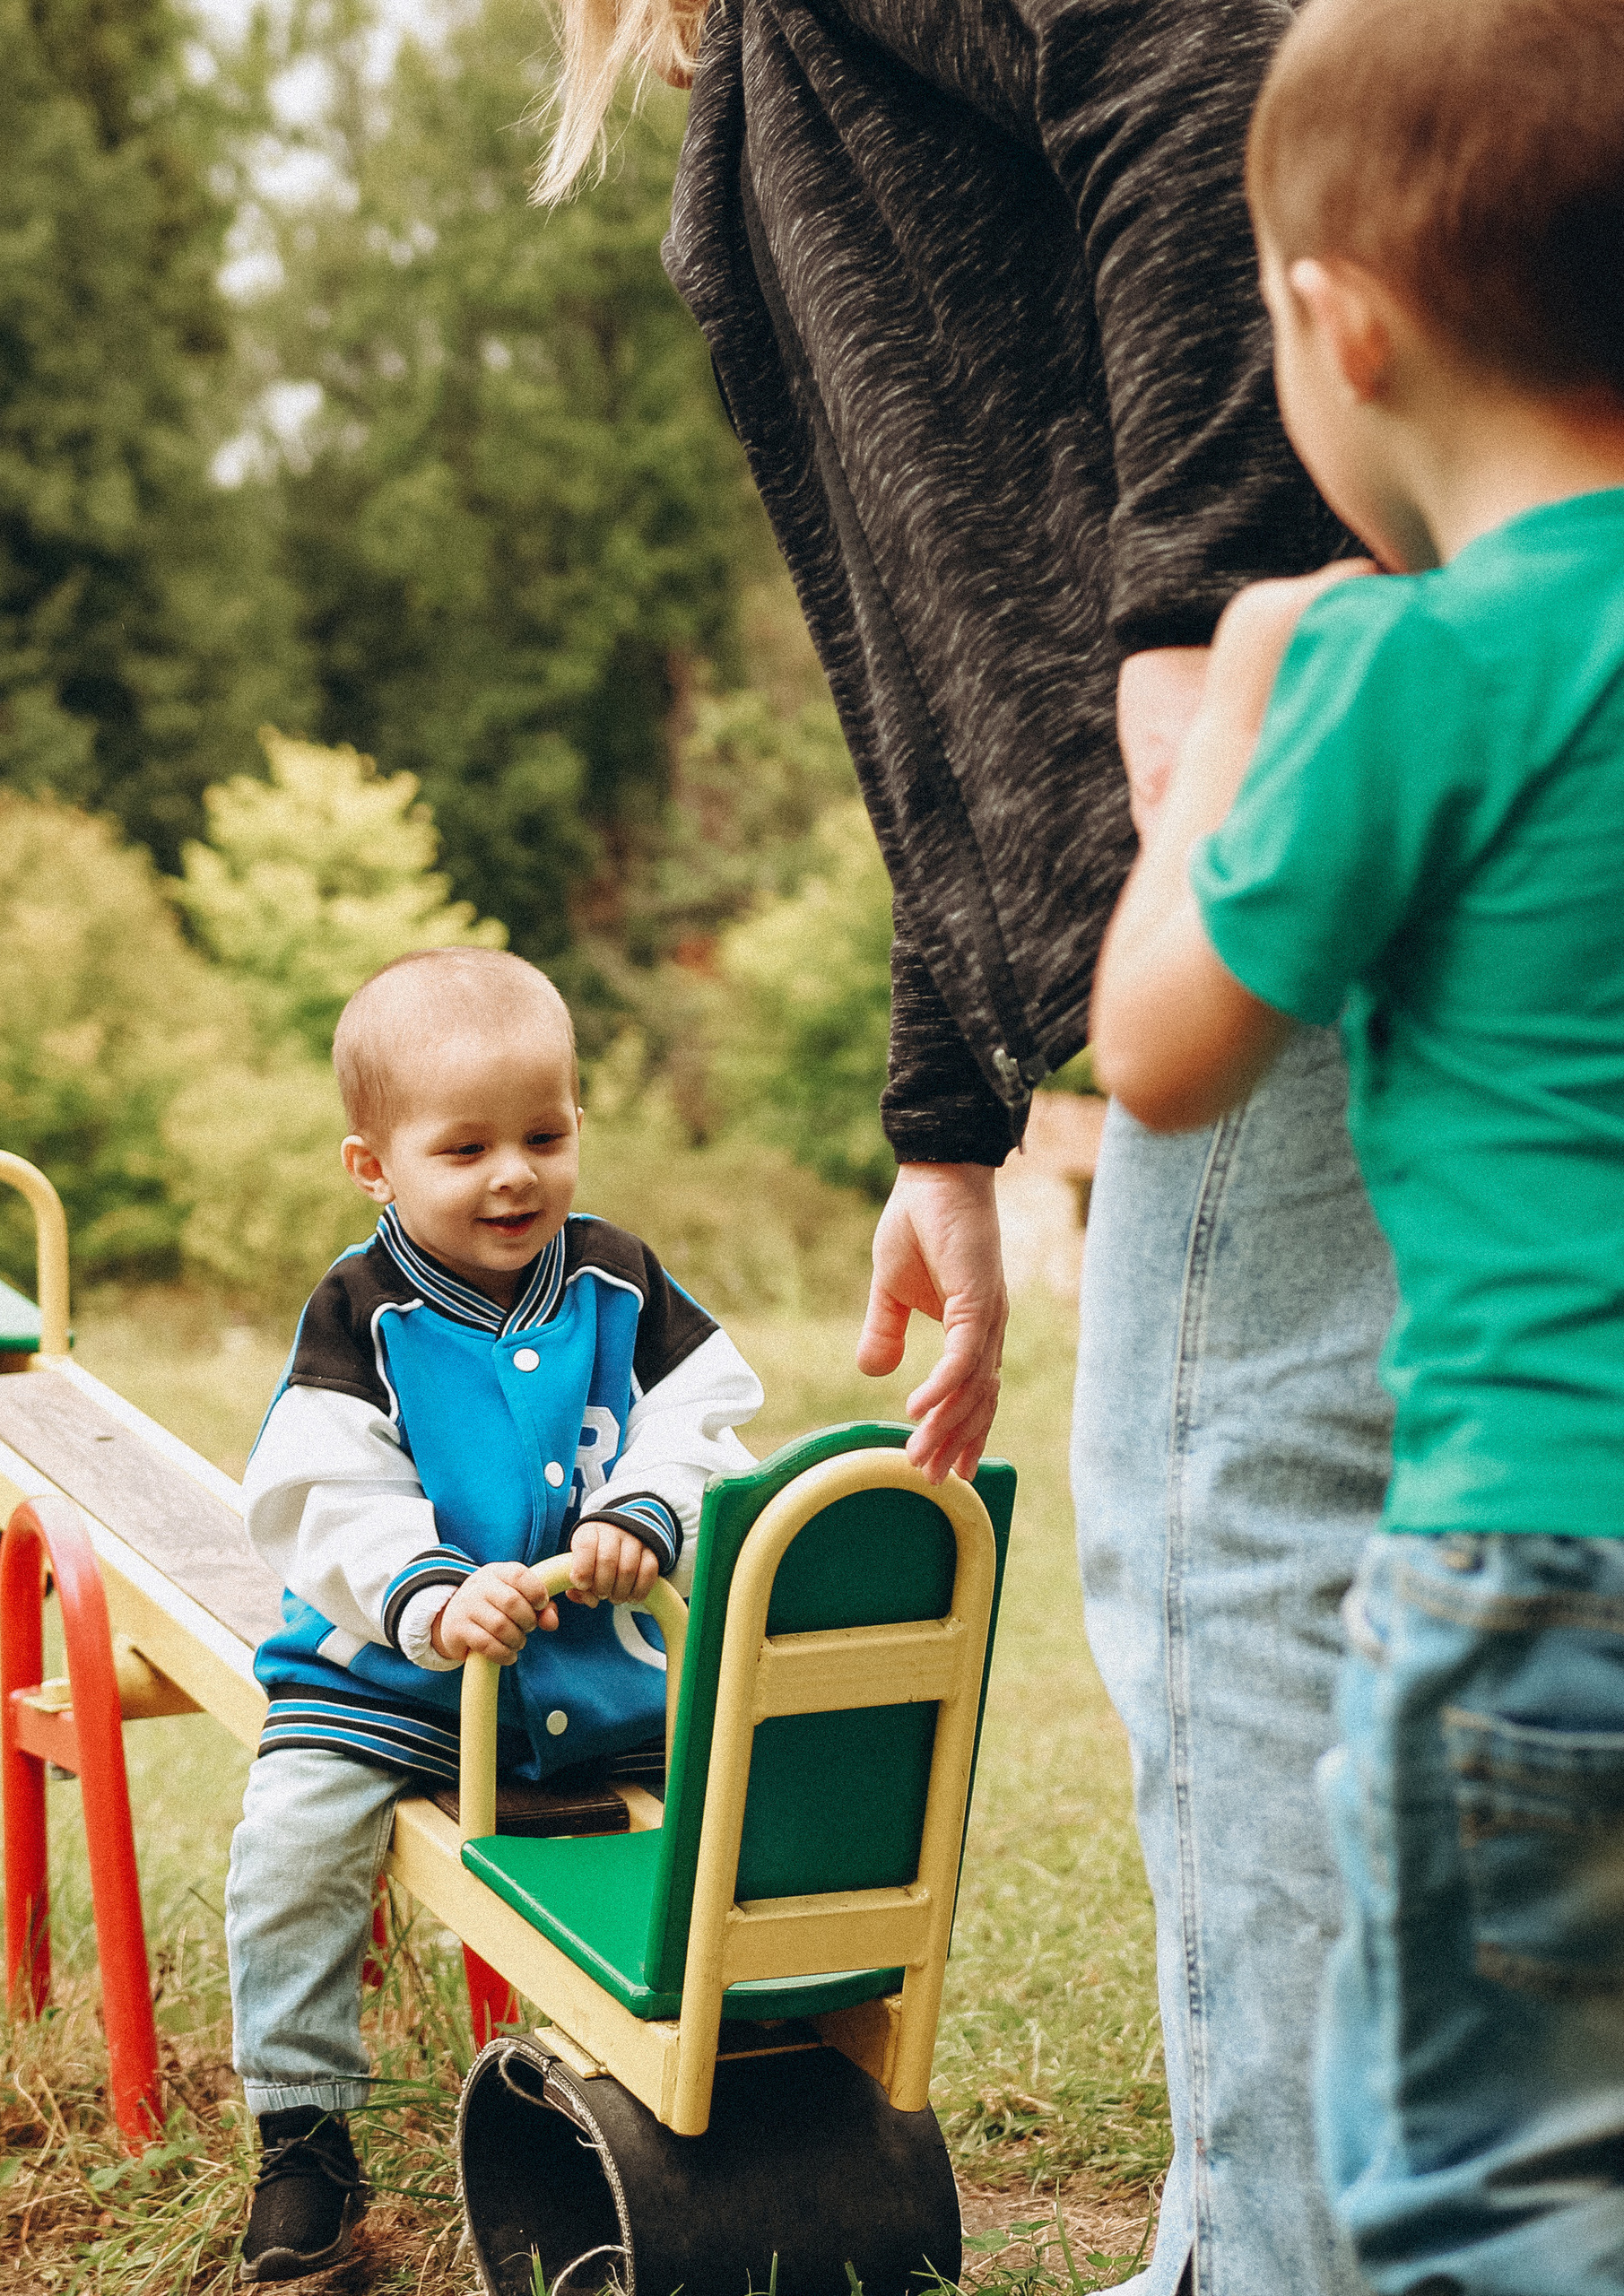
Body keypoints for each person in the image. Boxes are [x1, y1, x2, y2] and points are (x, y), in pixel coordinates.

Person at [545, 3, 1390, 2289]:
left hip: (1284, 804)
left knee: (1238, 1533)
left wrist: (1198, 602)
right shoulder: (770, 53)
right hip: (1195, 852)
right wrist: (949, 1108)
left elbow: (1190, 49)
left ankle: (1286, 2257)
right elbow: (921, 610)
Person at [1091, 2, 1624, 2283]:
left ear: (1333, 323)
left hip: (1526, 1569)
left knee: (1495, 2191)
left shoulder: (1403, 667)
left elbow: (1163, 1054)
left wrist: (1238, 707)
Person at [224, 946, 763, 2281]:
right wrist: (425, 1590)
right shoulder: (364, 1316)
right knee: (291, 1849)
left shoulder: (618, 1284)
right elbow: (319, 1488)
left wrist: (649, 1509)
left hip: (606, 1679)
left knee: (727, 1823)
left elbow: (712, 1418)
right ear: (376, 1166)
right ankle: (303, 2130)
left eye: (543, 1133)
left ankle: (738, 2071)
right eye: (463, 1149)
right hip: (393, 1693)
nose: (512, 1174)